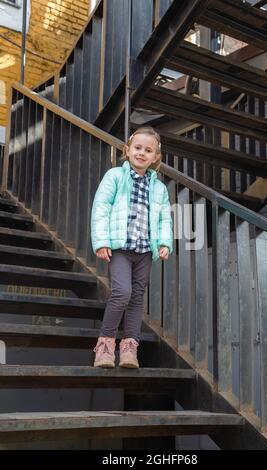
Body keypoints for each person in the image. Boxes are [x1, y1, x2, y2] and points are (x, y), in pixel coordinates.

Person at [91, 126, 173, 368]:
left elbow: (164, 218)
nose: (142, 153)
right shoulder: (115, 176)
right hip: (120, 248)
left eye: (148, 150)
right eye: (137, 148)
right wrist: (102, 240)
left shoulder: (159, 187)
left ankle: (129, 350)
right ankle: (105, 346)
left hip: (145, 251)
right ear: (127, 150)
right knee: (122, 293)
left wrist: (165, 242)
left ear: (155, 157)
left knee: (137, 298)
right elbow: (101, 208)